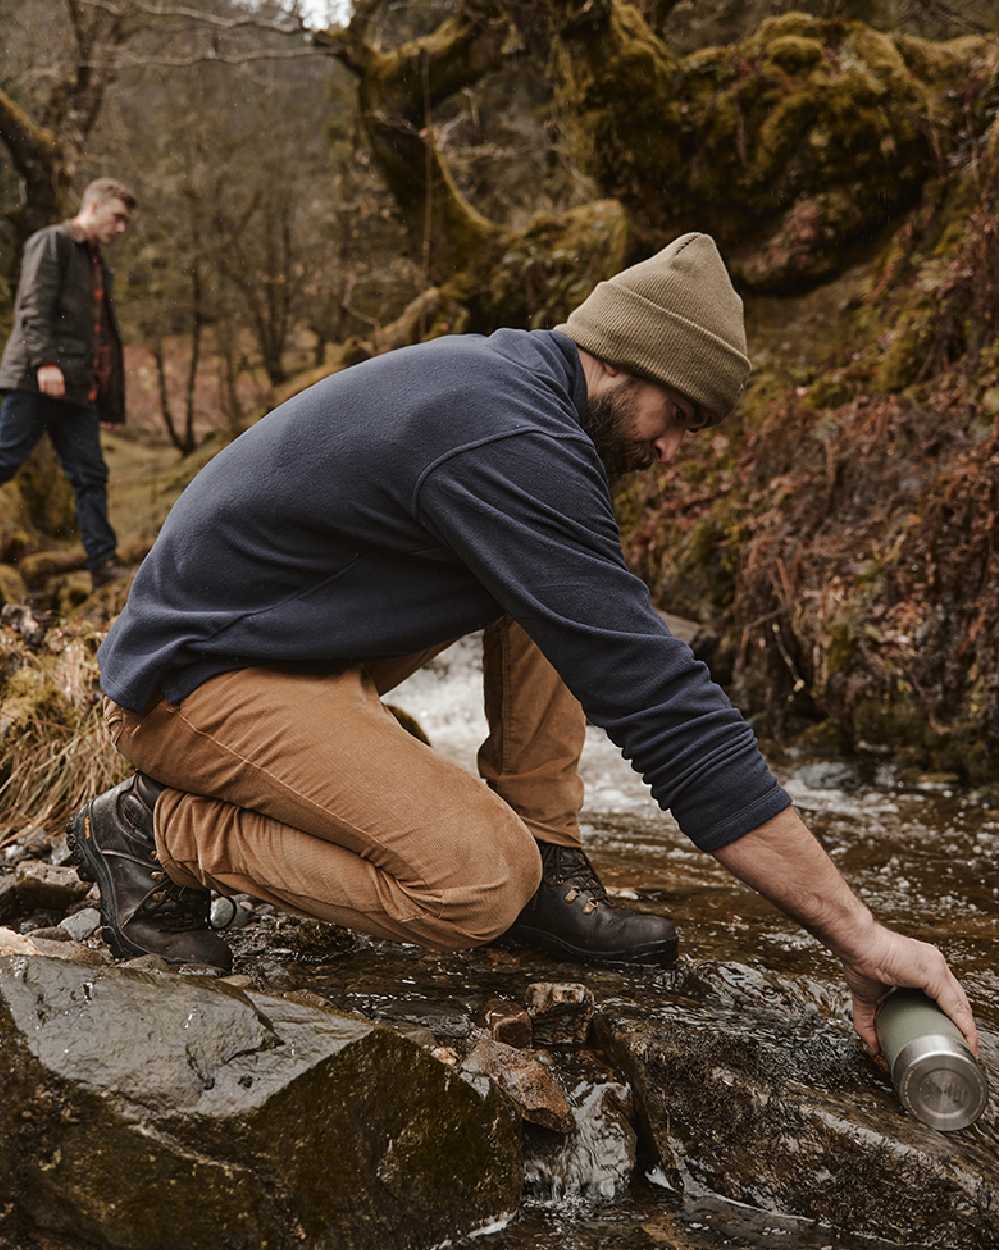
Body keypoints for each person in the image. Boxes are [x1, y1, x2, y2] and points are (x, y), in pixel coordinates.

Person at [70, 233, 977, 1059]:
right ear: (634, 362)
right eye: (684, 415)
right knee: (474, 881)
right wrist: (859, 935)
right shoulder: (507, 437)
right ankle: (155, 831)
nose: (675, 451)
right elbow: (668, 715)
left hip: (286, 649)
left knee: (570, 591)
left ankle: (552, 862)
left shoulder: (522, 395)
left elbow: (603, 630)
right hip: (189, 686)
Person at [0, 177, 134, 591]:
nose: (121, 229)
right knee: (3, 459)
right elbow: (33, 306)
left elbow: (102, 338)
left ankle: (103, 564)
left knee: (91, 474)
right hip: (34, 379)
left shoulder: (99, 266)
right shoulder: (52, 242)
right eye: (118, 218)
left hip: (78, 392)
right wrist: (44, 363)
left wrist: (108, 402)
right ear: (94, 207)